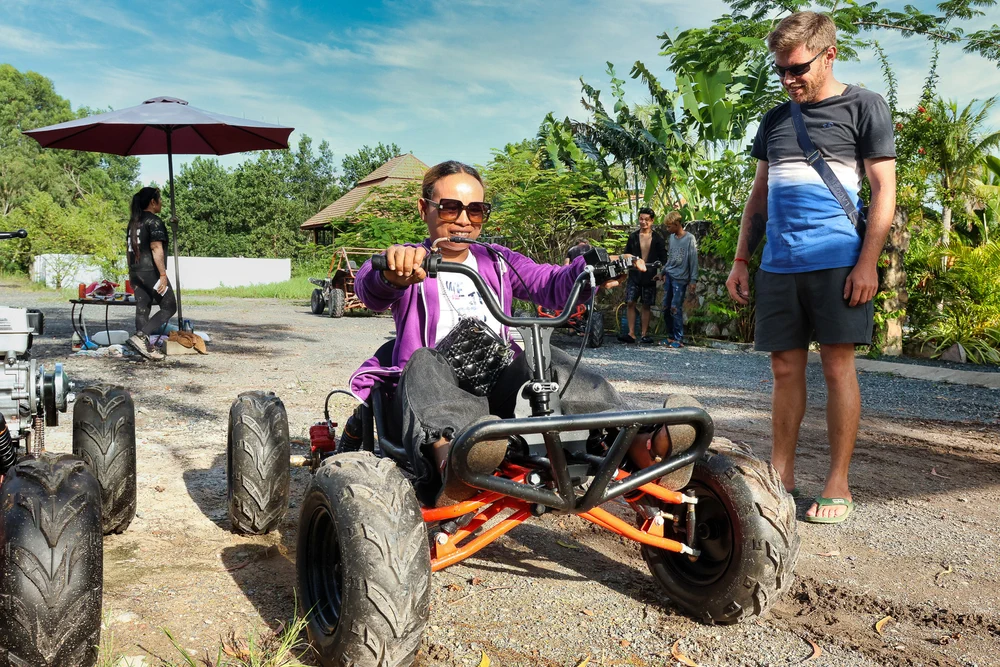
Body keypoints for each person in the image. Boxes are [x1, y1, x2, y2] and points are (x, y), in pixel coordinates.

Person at [350, 161, 686, 507]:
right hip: (437, 384)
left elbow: (549, 281)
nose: (464, 220)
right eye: (451, 208)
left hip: (497, 383)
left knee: (547, 359)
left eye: (476, 210)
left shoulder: (499, 261)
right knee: (422, 361)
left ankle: (635, 442)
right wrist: (392, 273)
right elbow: (369, 288)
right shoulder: (412, 259)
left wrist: (590, 272)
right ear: (425, 208)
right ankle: (453, 461)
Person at [725, 12, 896, 524]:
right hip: (779, 263)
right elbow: (759, 195)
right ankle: (782, 477)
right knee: (783, 369)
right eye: (780, 70)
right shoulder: (776, 119)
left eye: (797, 68)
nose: (788, 79)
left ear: (828, 55)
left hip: (838, 260)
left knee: (838, 366)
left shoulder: (865, 106)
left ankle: (837, 483)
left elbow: (884, 189)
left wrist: (867, 263)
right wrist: (740, 259)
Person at [125, 187, 177, 360]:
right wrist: (162, 275)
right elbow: (156, 247)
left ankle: (145, 349)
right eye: (160, 199)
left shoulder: (133, 222)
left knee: (143, 308)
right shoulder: (154, 221)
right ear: (153, 202)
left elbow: (128, 250)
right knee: (169, 306)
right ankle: (140, 337)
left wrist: (131, 272)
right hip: (151, 272)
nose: (161, 202)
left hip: (136, 271)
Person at [619, 207, 666, 344]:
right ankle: (631, 333)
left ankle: (645, 334)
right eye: (641, 219)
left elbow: (663, 258)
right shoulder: (633, 236)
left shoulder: (657, 238)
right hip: (634, 274)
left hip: (650, 275)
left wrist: (662, 272)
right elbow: (626, 253)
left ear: (652, 221)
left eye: (646, 219)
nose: (643, 222)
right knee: (630, 302)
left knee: (646, 304)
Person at [658, 211, 698, 348]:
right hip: (669, 275)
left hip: (681, 278)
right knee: (666, 307)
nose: (667, 229)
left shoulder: (689, 239)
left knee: (675, 307)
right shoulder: (672, 239)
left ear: (677, 224)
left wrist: (693, 280)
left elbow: (693, 260)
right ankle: (670, 336)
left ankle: (679, 338)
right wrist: (662, 272)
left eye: (669, 227)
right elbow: (670, 258)